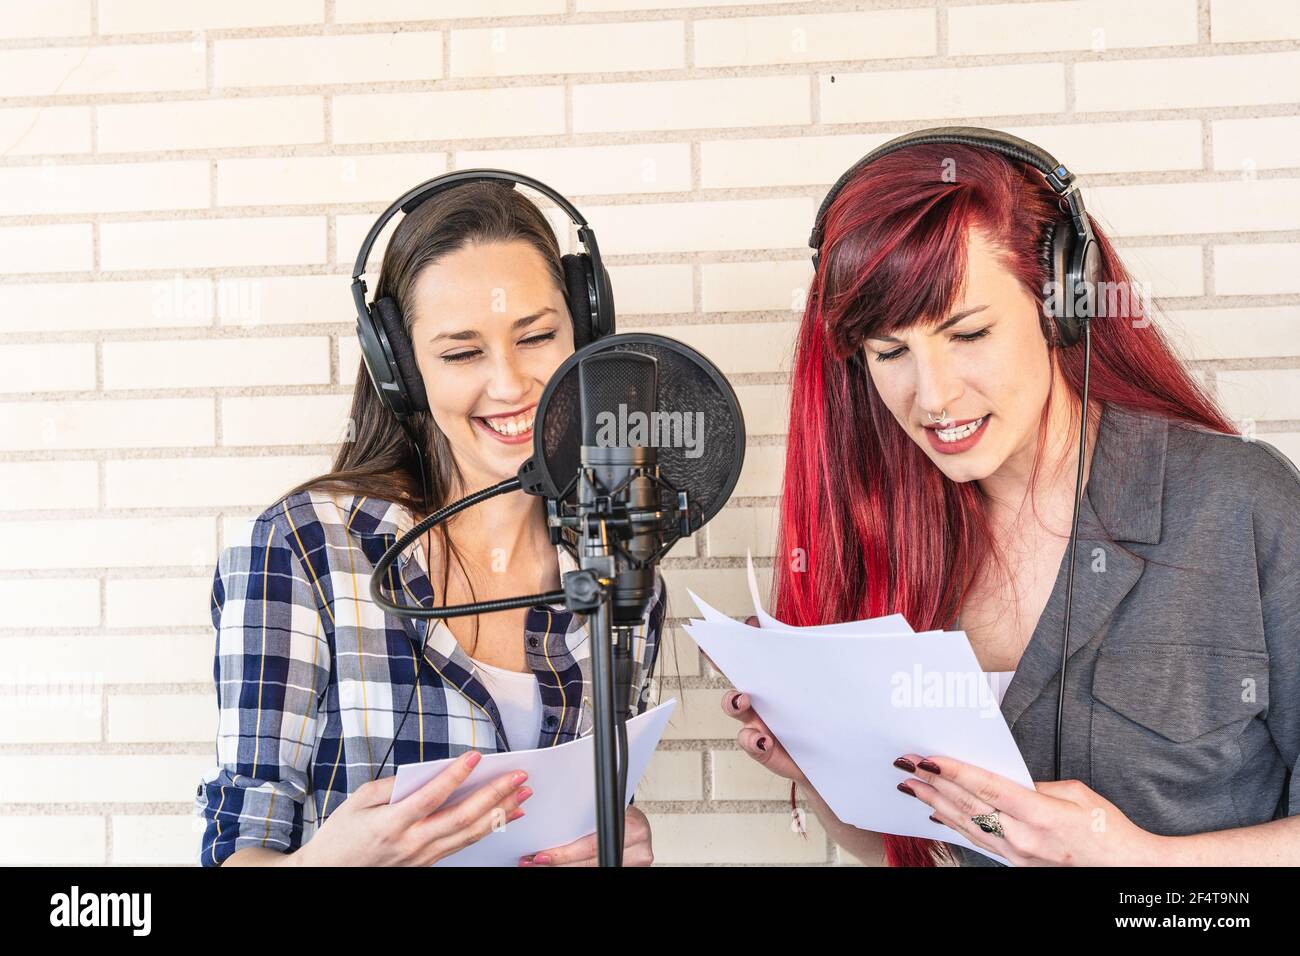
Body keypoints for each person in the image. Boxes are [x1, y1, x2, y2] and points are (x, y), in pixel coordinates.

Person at [723, 129, 1300, 866]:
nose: (932, 397)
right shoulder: (890, 528)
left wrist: (1142, 861)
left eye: (968, 334)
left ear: (1059, 302)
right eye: (890, 353)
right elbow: (910, 843)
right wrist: (829, 772)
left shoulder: (1241, 505)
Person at [196, 175, 665, 867]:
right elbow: (239, 846)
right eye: (461, 353)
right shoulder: (303, 548)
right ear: (402, 370)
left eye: (536, 337)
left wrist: (616, 844)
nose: (509, 385)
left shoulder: (619, 553)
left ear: (583, 333)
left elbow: (596, 815)